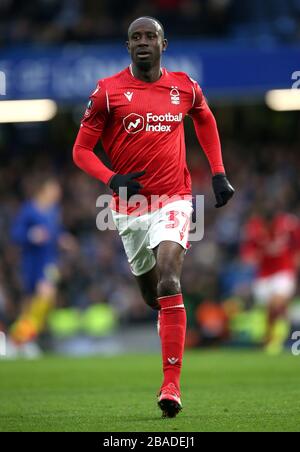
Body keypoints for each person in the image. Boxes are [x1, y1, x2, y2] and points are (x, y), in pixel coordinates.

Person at [73, 16, 234, 418]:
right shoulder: (107, 93)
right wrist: (112, 179)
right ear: (127, 47)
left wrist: (218, 174)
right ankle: (170, 323)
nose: (143, 42)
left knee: (168, 277)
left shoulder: (184, 86)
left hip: (175, 200)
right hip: (130, 209)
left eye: (150, 37)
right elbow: (81, 150)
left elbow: (206, 118)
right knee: (154, 297)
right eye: (135, 38)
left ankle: (171, 386)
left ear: (165, 44)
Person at [10, 175, 75, 354]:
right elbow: (16, 233)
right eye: (55, 189)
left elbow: (54, 232)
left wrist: (62, 238)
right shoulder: (29, 209)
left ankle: (24, 339)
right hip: (32, 261)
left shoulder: (53, 211)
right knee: (31, 303)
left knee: (47, 296)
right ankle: (20, 339)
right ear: (44, 190)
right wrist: (32, 234)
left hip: (48, 262)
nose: (58, 193)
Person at [241, 205, 300, 355]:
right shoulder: (255, 228)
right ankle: (272, 337)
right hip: (263, 276)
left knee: (277, 302)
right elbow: (248, 251)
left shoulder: (288, 224)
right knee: (271, 309)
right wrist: (250, 256)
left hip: (284, 271)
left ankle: (287, 334)